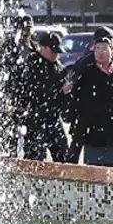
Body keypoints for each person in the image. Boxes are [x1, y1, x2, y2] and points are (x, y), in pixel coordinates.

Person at [72, 38, 113, 167]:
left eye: (104, 48)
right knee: (94, 172)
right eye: (97, 48)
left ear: (112, 50)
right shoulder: (87, 71)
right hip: (93, 128)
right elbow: (79, 99)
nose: (100, 52)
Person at [65, 26, 113, 163]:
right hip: (86, 111)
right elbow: (74, 83)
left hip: (106, 113)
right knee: (77, 144)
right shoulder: (86, 61)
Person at [20, 32, 70, 163]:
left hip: (53, 118)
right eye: (53, 51)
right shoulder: (33, 65)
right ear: (44, 48)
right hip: (36, 118)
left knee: (64, 157)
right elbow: (36, 94)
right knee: (35, 160)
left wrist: (66, 94)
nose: (56, 55)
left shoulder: (59, 68)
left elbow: (63, 101)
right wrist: (59, 92)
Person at [0, 13, 39, 157]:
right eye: (23, 28)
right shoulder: (8, 46)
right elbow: (1, 70)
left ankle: (30, 163)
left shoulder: (35, 46)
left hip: (29, 98)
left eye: (29, 28)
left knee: (32, 140)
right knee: (10, 136)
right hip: (12, 95)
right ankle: (10, 159)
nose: (26, 32)